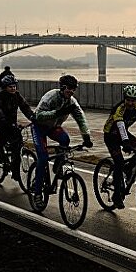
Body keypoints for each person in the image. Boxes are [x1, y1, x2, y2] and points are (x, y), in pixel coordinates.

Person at [30, 74, 93, 207]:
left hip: (53, 127)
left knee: (65, 139)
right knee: (42, 158)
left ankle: (57, 167)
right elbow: (39, 115)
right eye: (69, 88)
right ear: (63, 87)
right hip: (39, 127)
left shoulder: (71, 102)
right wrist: (57, 112)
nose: (71, 92)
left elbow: (81, 119)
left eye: (73, 89)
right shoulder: (50, 96)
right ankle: (37, 194)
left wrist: (86, 137)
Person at [0, 74, 35, 181]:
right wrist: (5, 121)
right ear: (5, 87)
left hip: (11, 123)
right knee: (4, 130)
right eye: (10, 87)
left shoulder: (17, 95)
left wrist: (33, 117)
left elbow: (25, 107)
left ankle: (15, 171)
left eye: (14, 86)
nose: (13, 88)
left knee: (17, 145)